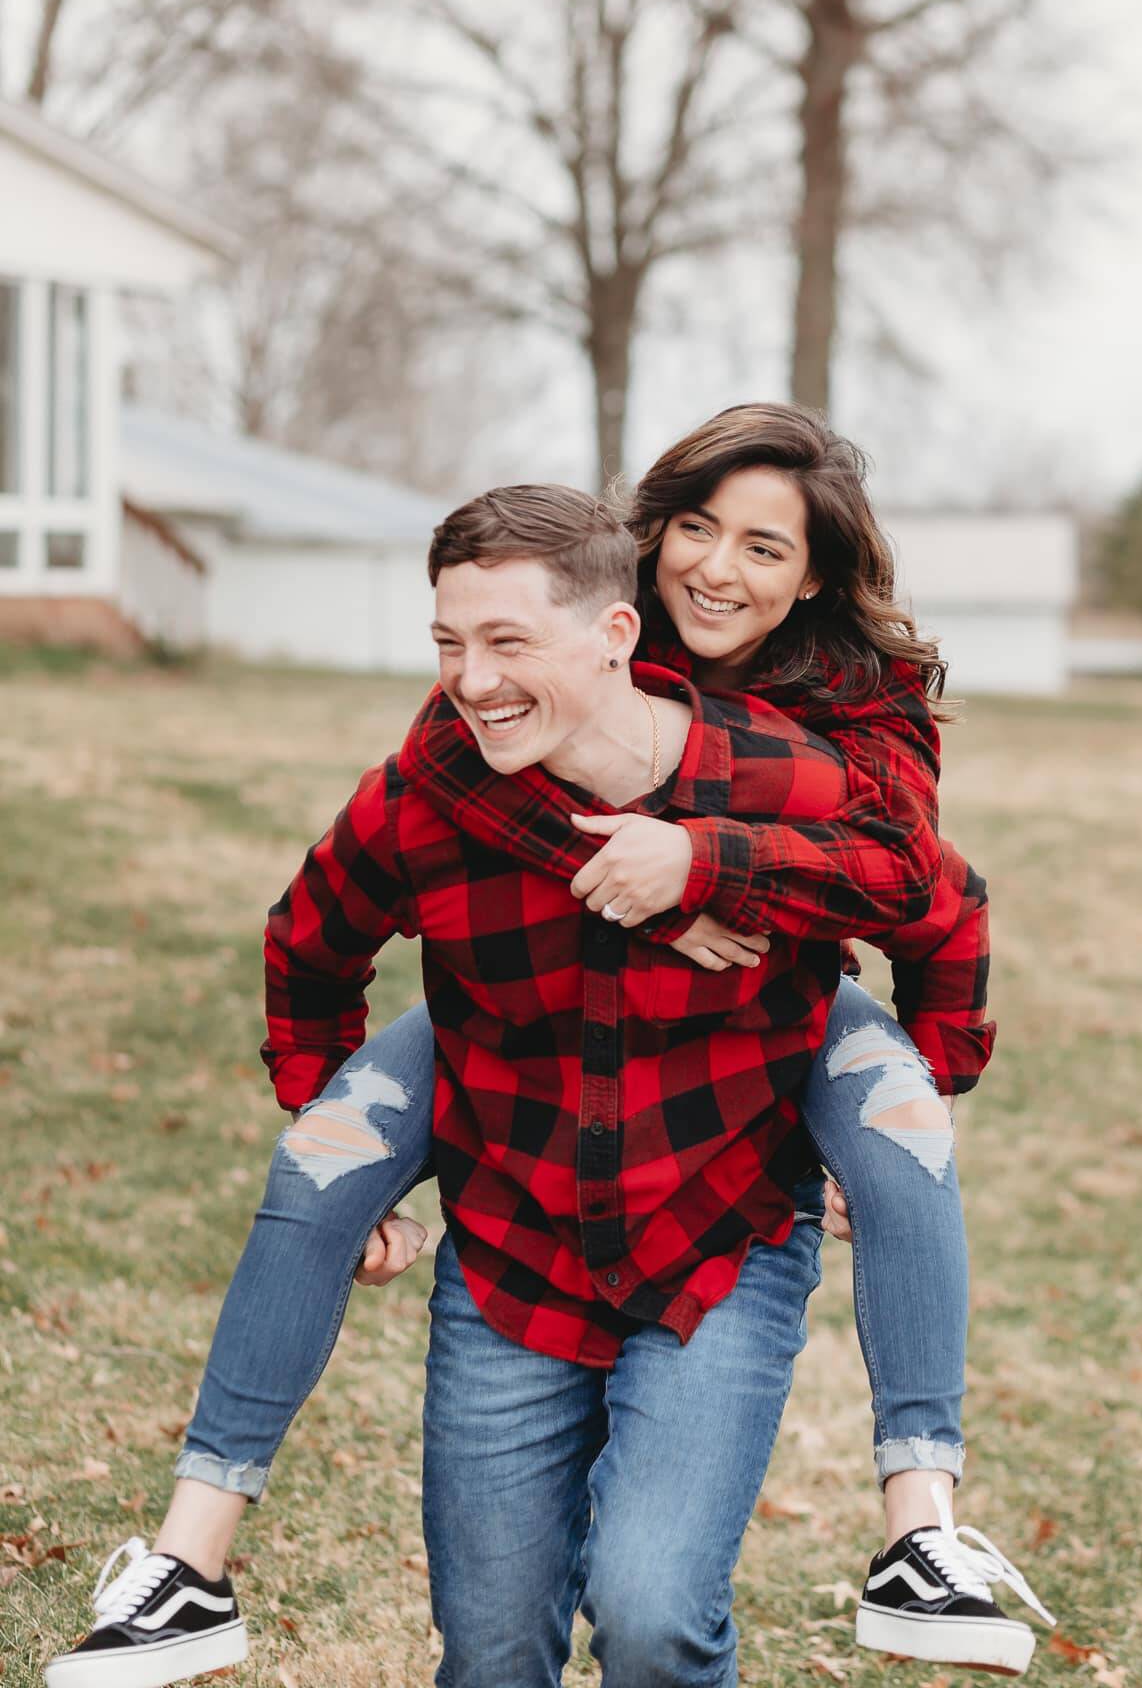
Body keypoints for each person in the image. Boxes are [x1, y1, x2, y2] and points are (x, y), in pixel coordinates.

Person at [47, 409, 1052, 1688]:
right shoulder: (522, 648)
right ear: (647, 544)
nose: (717, 568)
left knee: (901, 1112)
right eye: (694, 526)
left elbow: (913, 876)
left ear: (813, 577)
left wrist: (706, 870)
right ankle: (189, 1564)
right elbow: (438, 780)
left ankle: (924, 1530)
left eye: (762, 545)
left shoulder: (846, 703)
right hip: (524, 1042)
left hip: (756, 1019)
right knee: (328, 1149)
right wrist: (611, 865)